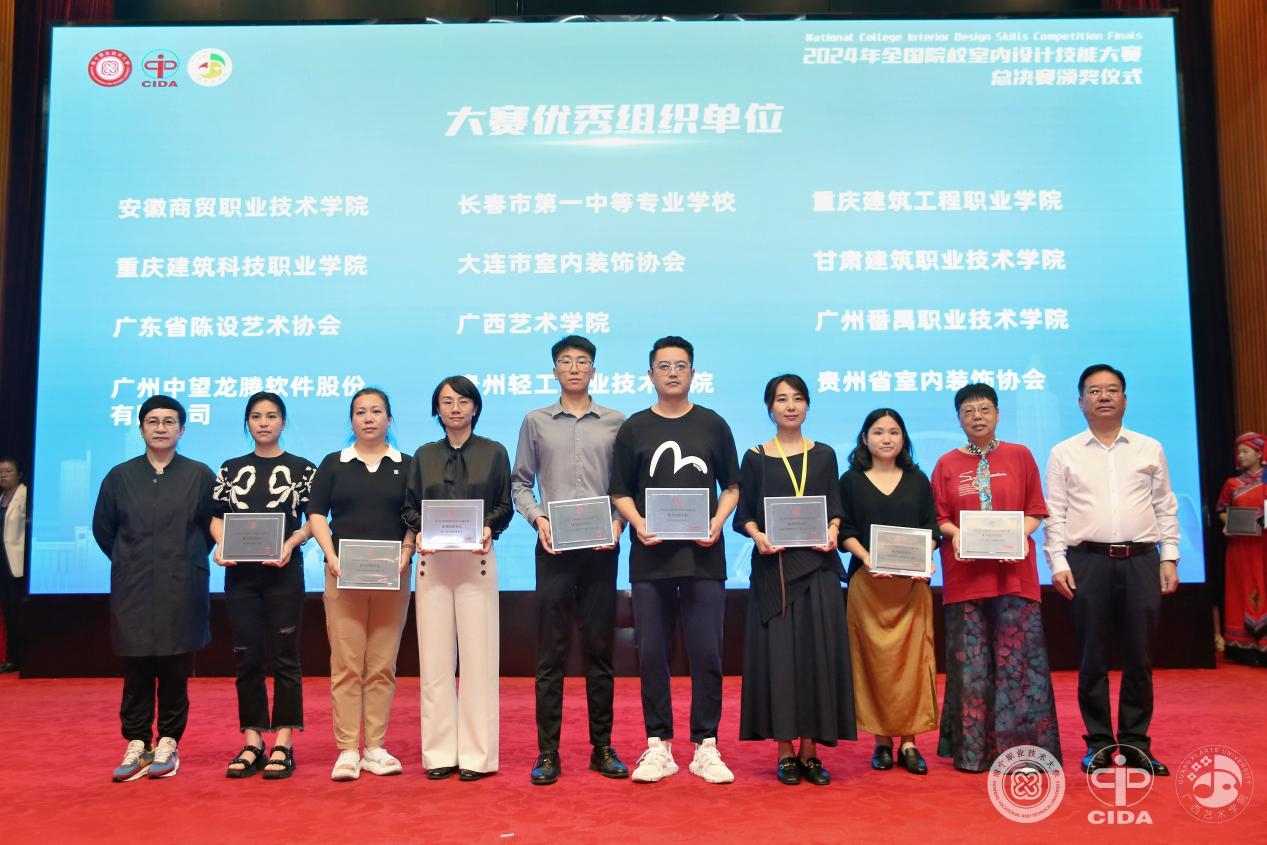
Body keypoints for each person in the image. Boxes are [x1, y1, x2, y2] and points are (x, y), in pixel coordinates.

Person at [610, 335, 741, 784]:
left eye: (680, 365)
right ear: (650, 374)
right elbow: (620, 490)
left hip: (704, 557)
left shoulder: (713, 424)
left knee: (707, 652)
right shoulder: (635, 428)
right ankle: (658, 745)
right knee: (652, 653)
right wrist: (639, 523)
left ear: (692, 373)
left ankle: (706, 745)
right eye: (663, 366)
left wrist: (717, 521)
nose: (672, 373)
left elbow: (732, 487)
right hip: (651, 559)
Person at [1044, 364, 1180, 776]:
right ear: (1080, 401)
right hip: (1088, 561)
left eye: (1112, 389)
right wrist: (1057, 562)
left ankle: (1136, 744)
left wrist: (1169, 556)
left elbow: (1165, 505)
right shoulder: (1064, 452)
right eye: (1094, 390)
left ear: (1125, 398)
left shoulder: (1149, 448)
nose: (1104, 396)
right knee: (1093, 657)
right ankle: (1100, 744)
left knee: (1140, 656)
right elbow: (1055, 513)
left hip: (1141, 560)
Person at [511, 336, 628, 785]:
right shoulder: (535, 421)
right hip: (554, 550)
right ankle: (548, 752)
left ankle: (603, 747)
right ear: (555, 370)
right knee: (551, 653)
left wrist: (618, 523)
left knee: (600, 649)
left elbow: (625, 486)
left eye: (582, 362)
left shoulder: (616, 421)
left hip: (601, 550)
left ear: (593, 370)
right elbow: (521, 483)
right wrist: (539, 519)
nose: (574, 368)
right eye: (566, 361)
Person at [930, 383, 1060, 773]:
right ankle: (974, 753)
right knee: (970, 668)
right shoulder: (946, 464)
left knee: (1019, 666)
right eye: (968, 411)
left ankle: (1023, 753)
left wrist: (1016, 535)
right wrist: (959, 535)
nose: (977, 417)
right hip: (965, 579)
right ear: (958, 419)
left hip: (1014, 576)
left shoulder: (1020, 455)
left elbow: (1035, 510)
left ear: (998, 413)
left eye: (985, 409)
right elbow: (939, 518)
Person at [734, 374, 852, 786]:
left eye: (798, 399)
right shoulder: (755, 457)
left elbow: (835, 507)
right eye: (781, 399)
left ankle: (811, 752)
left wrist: (833, 530)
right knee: (780, 660)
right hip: (776, 571)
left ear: (807, 406)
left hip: (817, 569)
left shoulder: (824, 454)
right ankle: (785, 751)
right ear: (769, 407)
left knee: (817, 657)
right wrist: (758, 536)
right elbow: (744, 514)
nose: (790, 406)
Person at [92, 395, 216, 781]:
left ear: (182, 429)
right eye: (153, 421)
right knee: (137, 668)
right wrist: (132, 560)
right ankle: (137, 742)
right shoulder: (120, 477)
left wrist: (183, 558)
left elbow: (212, 529)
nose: (161, 428)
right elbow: (104, 530)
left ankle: (168, 743)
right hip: (134, 586)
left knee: (175, 667)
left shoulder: (199, 475)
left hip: (182, 584)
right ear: (141, 428)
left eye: (169, 421)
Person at [403, 376, 512, 781]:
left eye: (463, 401)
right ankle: (439, 754)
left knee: (479, 661)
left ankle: (477, 756)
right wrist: (421, 532)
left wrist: (488, 527)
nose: (454, 408)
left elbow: (504, 504)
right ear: (437, 409)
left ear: (475, 407)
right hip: (433, 563)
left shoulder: (494, 452)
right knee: (434, 664)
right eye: (446, 401)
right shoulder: (423, 455)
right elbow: (410, 507)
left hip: (476, 560)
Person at [308, 387, 415, 782]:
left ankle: (375, 748)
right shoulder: (334, 463)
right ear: (351, 420)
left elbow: (415, 517)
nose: (368, 418)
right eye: (360, 412)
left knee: (382, 665)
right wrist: (331, 555)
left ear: (389, 419)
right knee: (347, 664)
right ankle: (348, 749)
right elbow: (316, 514)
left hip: (393, 575)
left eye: (376, 411)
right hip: (342, 575)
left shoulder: (407, 465)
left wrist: (407, 551)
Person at [210, 393, 317, 779]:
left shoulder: (303, 469)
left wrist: (292, 542)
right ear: (248, 423)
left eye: (272, 416)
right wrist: (222, 544)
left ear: (283, 422)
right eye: (256, 416)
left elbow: (314, 519)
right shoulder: (230, 469)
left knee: (286, 657)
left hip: (284, 572)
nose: (264, 422)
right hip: (241, 576)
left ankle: (283, 742)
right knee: (247, 657)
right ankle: (253, 740)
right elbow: (216, 517)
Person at [838, 408, 938, 776]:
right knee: (873, 664)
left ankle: (909, 742)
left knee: (911, 665)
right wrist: (868, 560)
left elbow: (931, 528)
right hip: (868, 585)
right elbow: (844, 529)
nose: (886, 438)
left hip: (911, 587)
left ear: (903, 439)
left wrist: (925, 559)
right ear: (865, 439)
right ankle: (881, 741)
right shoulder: (850, 481)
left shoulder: (917, 480)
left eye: (894, 432)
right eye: (878, 432)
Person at [1216, 432, 1267, 666]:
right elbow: (1221, 510)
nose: (1241, 455)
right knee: (1241, 588)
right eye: (1238, 452)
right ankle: (1244, 648)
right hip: (1240, 548)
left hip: (1263, 546)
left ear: (1259, 453)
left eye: (1245, 451)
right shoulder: (1232, 484)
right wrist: (1229, 523)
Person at [0, 457, 28, 674]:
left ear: (18, 474)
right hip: (2, 561)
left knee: (15, 612)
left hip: (15, 562)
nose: (3, 475)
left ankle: (17, 657)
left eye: (8, 471)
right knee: (6, 613)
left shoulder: (24, 494)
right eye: (0, 471)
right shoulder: (1, 497)